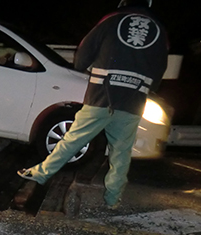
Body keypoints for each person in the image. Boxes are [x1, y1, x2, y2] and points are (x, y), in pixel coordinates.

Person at [17, 0, 169, 209]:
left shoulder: (110, 21)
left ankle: (40, 174)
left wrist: (80, 66)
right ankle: (113, 198)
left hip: (101, 96)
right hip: (133, 101)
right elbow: (159, 68)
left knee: (73, 139)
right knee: (121, 153)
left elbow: (84, 51)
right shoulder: (159, 31)